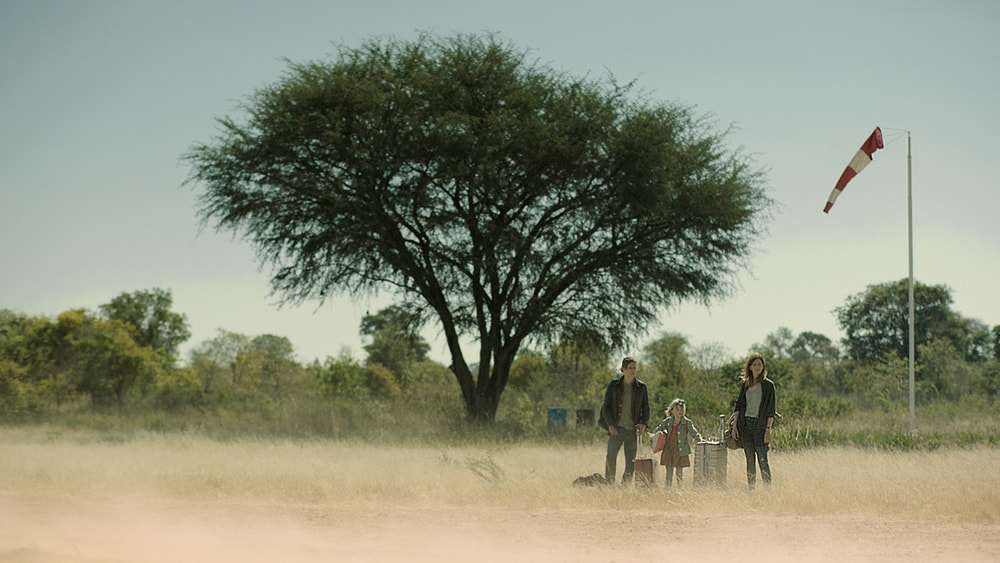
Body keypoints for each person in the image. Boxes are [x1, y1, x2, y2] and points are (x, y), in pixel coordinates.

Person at [598, 357, 650, 484]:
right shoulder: (614, 386)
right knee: (610, 457)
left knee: (631, 461)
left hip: (632, 430)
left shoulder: (641, 387)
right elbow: (606, 407)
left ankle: (624, 487)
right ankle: (609, 485)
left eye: (634, 368)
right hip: (617, 429)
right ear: (623, 369)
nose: (632, 371)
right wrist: (610, 425)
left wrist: (643, 423)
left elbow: (646, 408)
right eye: (630, 368)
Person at [731, 352, 776, 489]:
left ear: (763, 367)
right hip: (746, 426)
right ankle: (751, 491)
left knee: (763, 460)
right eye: (754, 364)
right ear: (749, 367)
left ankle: (768, 491)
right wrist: (734, 427)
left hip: (760, 426)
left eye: (759, 364)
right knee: (750, 461)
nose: (757, 367)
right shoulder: (745, 385)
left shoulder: (768, 386)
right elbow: (738, 406)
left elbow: (770, 410)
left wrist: (768, 430)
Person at [652, 398, 702, 488]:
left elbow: (693, 432)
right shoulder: (667, 422)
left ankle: (680, 491)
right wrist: (658, 436)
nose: (680, 411)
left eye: (681, 409)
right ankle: (667, 490)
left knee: (679, 473)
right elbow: (658, 429)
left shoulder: (687, 422)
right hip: (669, 449)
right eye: (677, 409)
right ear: (672, 410)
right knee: (669, 472)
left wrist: (699, 438)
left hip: (680, 449)